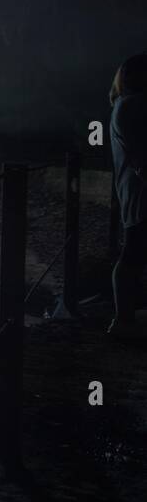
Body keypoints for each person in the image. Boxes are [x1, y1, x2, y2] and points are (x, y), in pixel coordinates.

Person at [108, 53, 147, 337]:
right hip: (141, 192)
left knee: (133, 252)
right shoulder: (132, 106)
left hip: (136, 191)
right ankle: (123, 321)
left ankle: (124, 320)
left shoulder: (124, 105)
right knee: (132, 253)